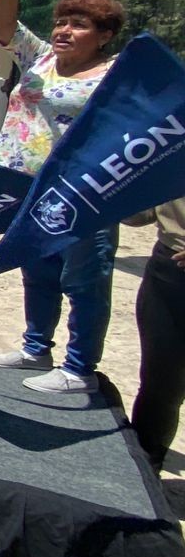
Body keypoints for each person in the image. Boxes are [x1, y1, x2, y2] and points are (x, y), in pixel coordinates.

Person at [0, 0, 124, 393]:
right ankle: (35, 348)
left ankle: (79, 368)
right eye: (61, 21)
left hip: (85, 193)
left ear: (104, 35)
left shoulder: (116, 74)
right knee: (37, 271)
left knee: (83, 280)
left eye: (79, 25)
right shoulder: (40, 58)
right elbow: (2, 25)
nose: (63, 30)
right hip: (28, 187)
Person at [126, 198, 185, 472]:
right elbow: (142, 213)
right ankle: (145, 474)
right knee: (160, 386)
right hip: (168, 273)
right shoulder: (174, 154)